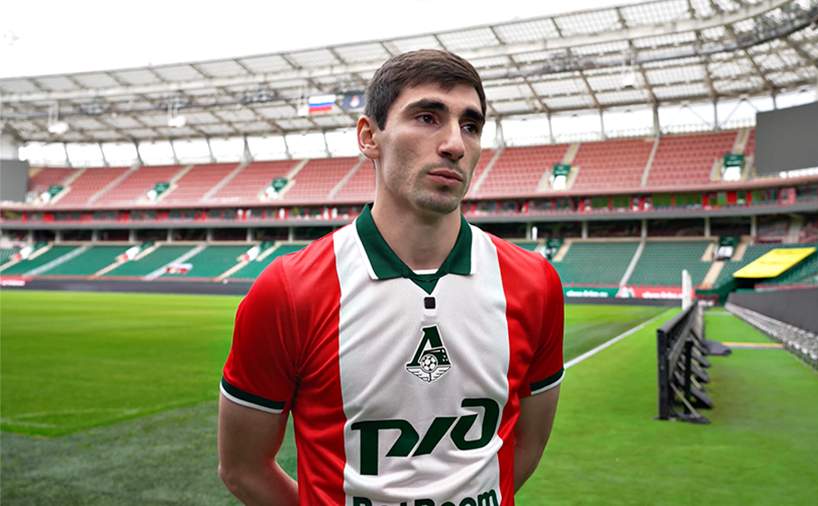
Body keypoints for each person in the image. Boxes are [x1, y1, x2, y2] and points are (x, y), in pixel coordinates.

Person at [217, 49, 564, 506]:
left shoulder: (535, 284)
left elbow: (527, 445)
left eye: (470, 125)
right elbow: (243, 468)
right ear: (369, 136)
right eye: (427, 118)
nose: (455, 144)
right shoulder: (288, 290)